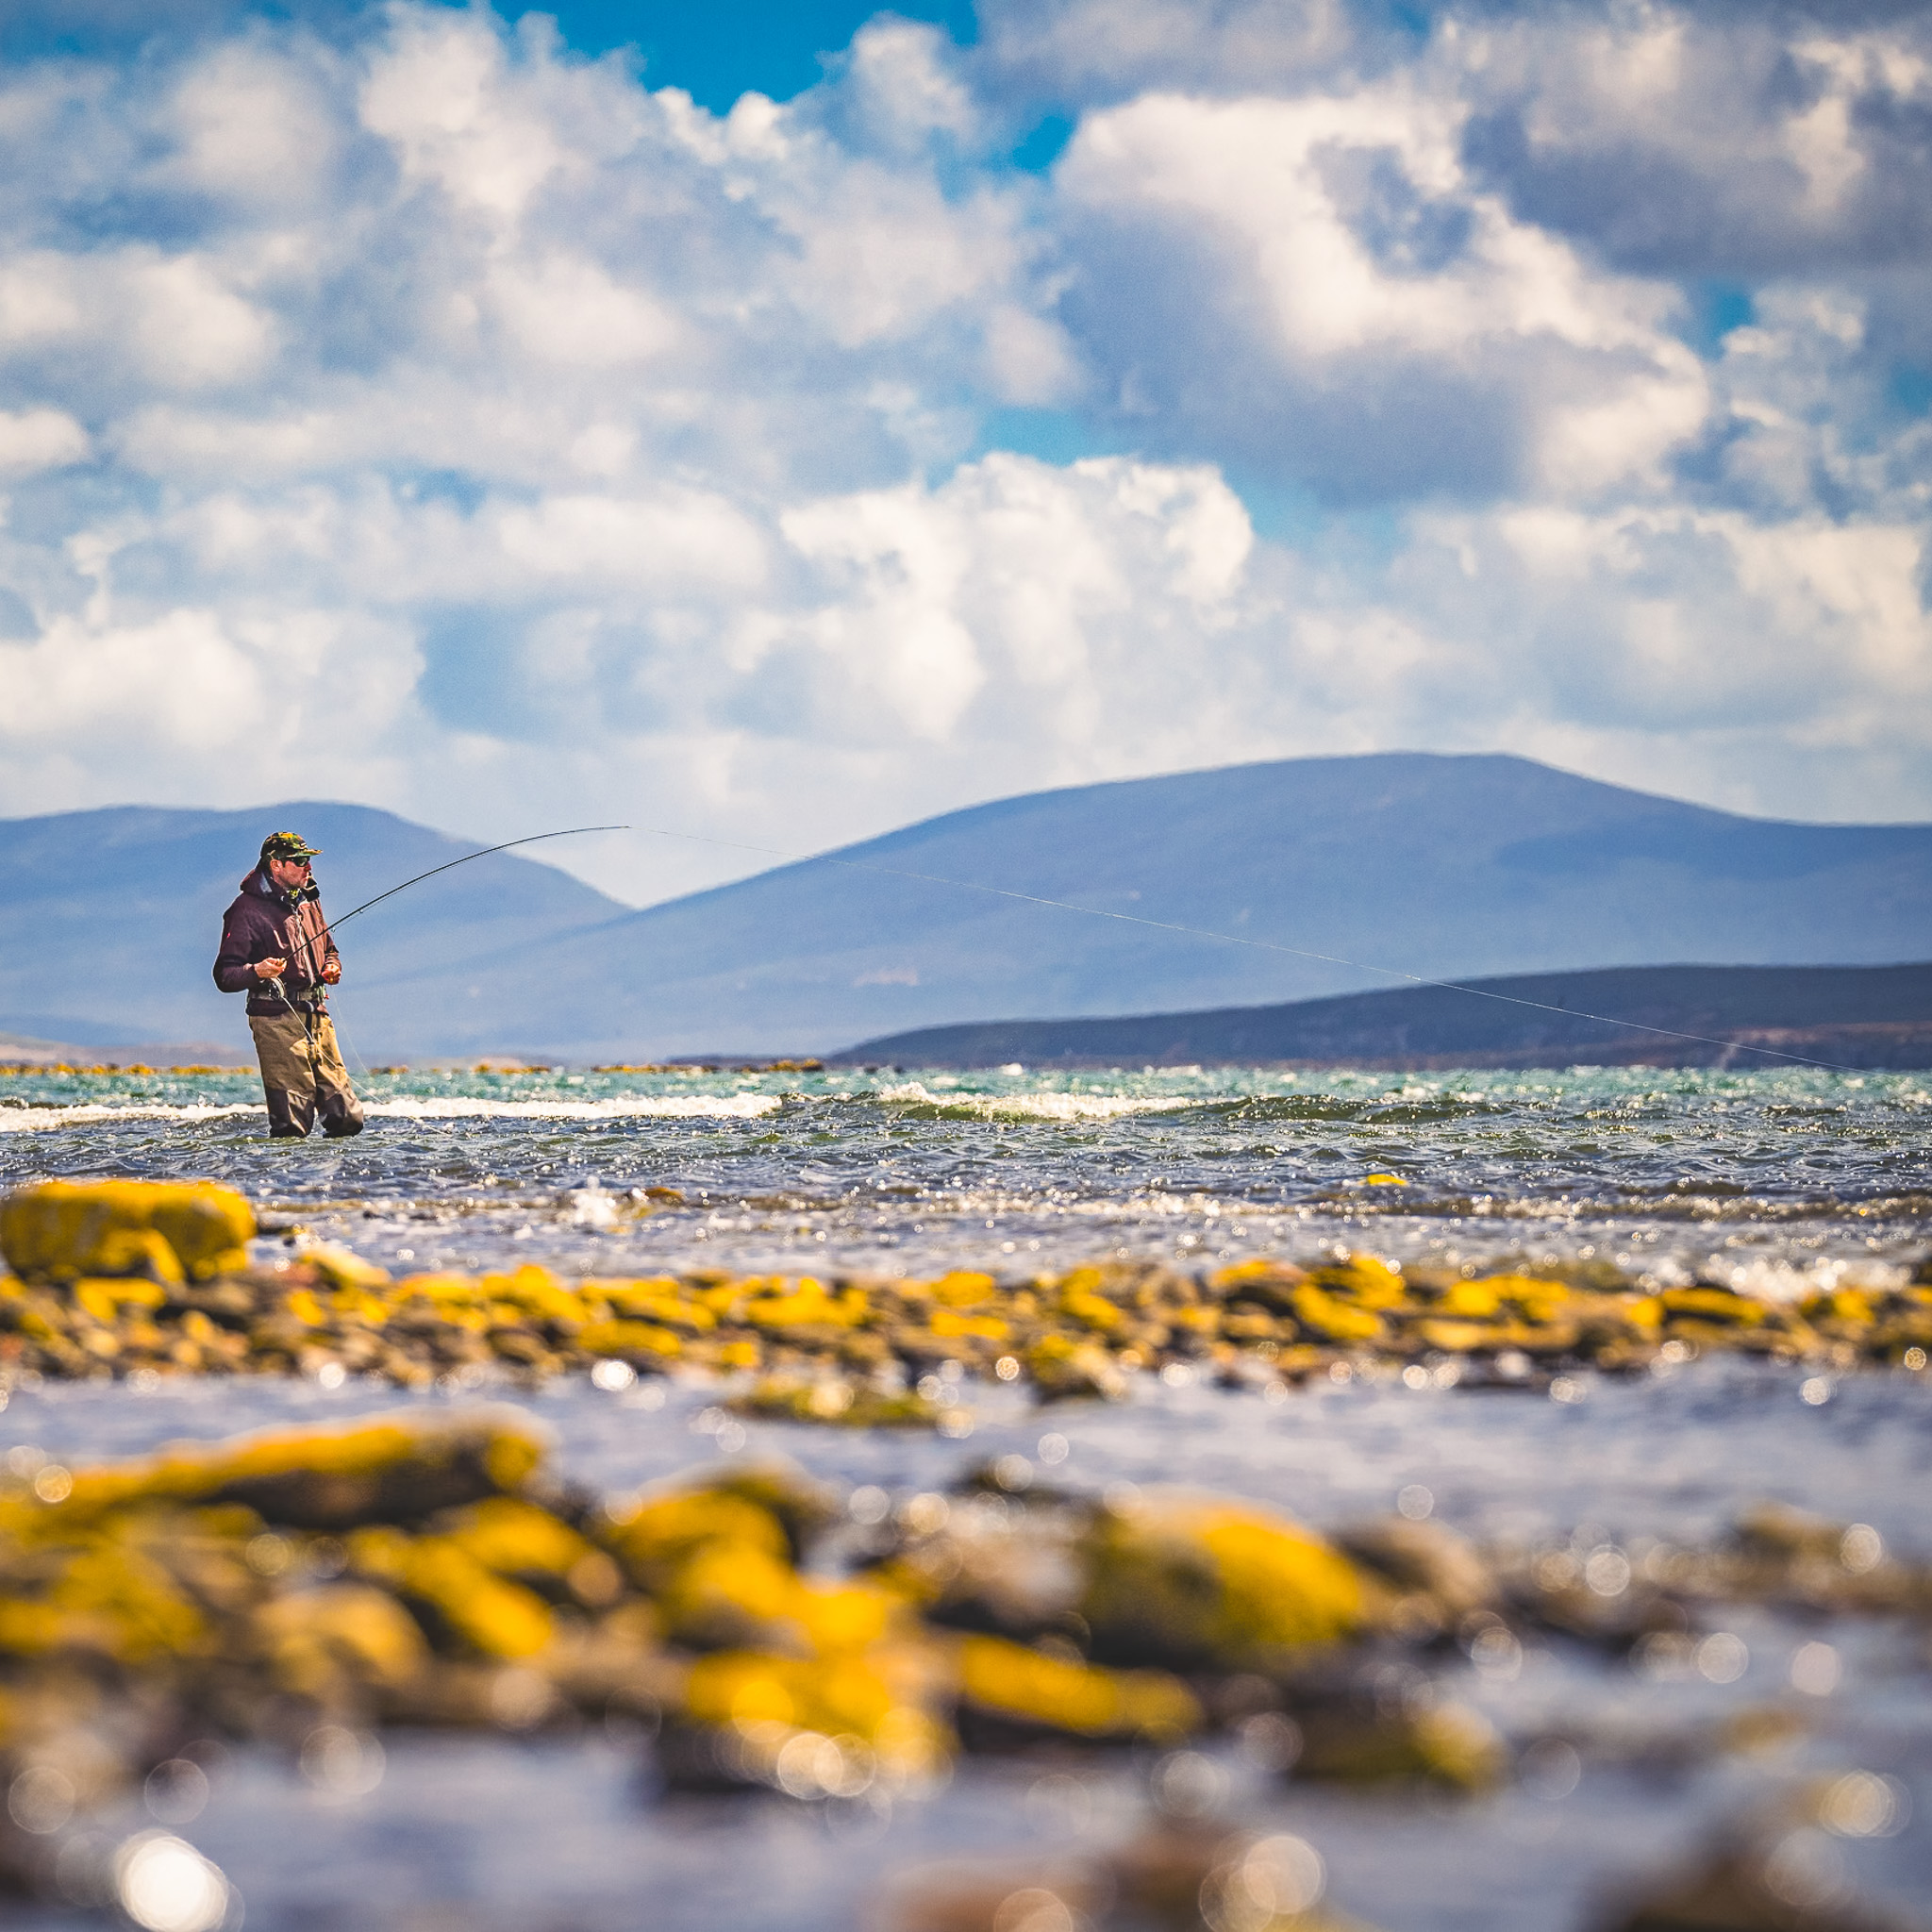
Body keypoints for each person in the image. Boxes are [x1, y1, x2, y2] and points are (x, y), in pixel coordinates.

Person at [213, 832, 365, 1139]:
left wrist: (331, 966)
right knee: (291, 1127)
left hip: (317, 1016)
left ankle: (334, 1183)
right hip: (274, 1019)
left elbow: (329, 948)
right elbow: (225, 975)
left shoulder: (309, 901)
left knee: (347, 1117)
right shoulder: (245, 910)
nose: (308, 868)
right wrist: (258, 970)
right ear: (276, 865)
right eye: (299, 861)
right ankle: (287, 1185)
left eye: (308, 861)